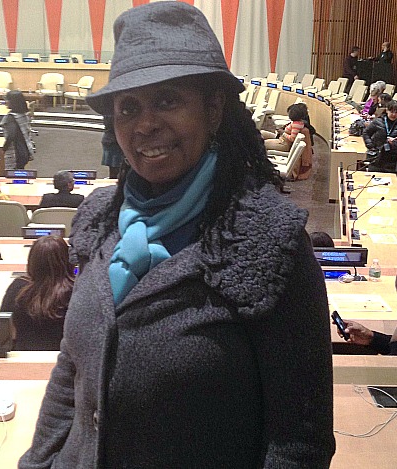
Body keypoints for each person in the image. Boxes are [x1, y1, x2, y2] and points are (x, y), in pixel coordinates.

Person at [19, 3, 334, 468]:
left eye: (167, 99)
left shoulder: (269, 238)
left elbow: (298, 440)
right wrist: (38, 462)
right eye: (129, 107)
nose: (145, 123)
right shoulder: (100, 217)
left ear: (212, 109)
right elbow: (73, 368)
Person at [0, 236, 74, 350]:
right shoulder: (77, 290)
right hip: (67, 362)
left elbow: (4, 329)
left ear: (32, 261)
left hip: (24, 360)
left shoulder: (17, 288)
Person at [363, 100, 397, 173]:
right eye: (391, 111)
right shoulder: (378, 121)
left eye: (396, 112)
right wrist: (370, 145)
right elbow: (366, 132)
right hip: (376, 157)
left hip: (392, 160)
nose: (394, 114)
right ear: (386, 110)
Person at [1, 90, 34, 170]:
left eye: (7, 100)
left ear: (13, 102)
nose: (6, 102)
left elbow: (11, 136)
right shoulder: (24, 114)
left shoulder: (11, 117)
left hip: (15, 153)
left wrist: (3, 149)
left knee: (12, 176)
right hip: (25, 150)